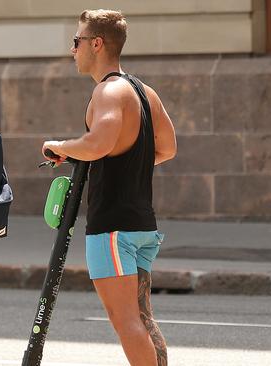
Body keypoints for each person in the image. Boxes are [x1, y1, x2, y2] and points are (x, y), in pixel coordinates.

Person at [42, 9, 177, 366]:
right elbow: (167, 148)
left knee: (126, 321)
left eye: (76, 41)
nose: (73, 50)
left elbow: (98, 143)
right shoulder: (143, 90)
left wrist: (61, 147)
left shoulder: (108, 92)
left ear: (96, 44)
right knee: (142, 316)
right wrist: (116, 161)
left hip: (112, 227)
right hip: (142, 224)